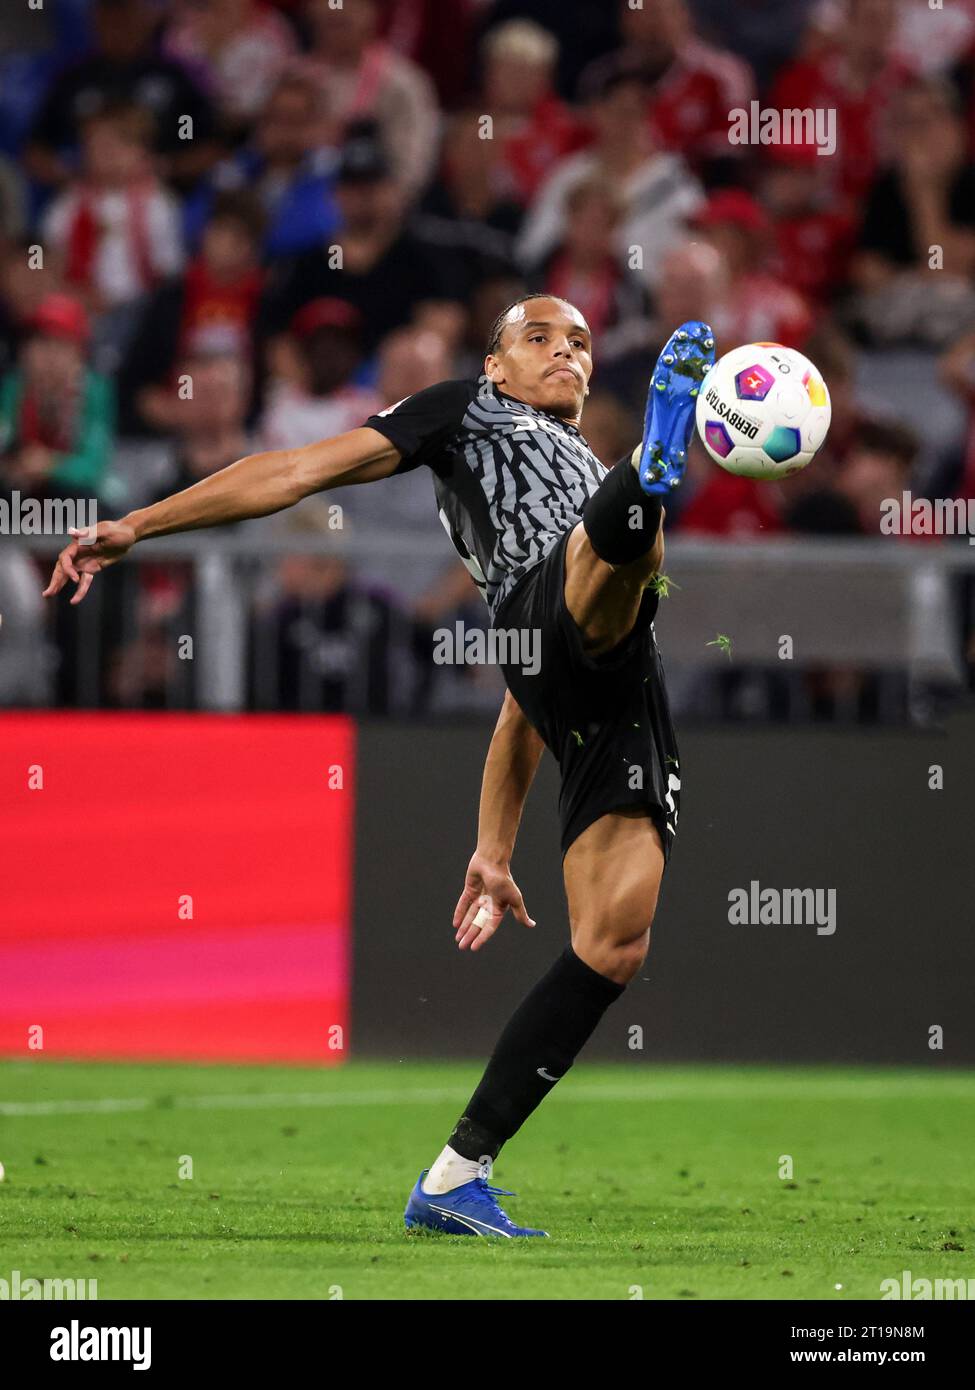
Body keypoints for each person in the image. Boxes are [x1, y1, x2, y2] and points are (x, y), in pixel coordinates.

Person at [43, 295, 716, 1238]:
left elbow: (525, 704)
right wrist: (140, 525)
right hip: (552, 602)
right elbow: (295, 471)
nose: (563, 352)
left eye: (578, 343)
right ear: (493, 366)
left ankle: (453, 1177)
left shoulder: (577, 459)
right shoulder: (464, 412)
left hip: (607, 690)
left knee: (614, 939)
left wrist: (492, 846)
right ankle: (651, 484)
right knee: (609, 572)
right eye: (537, 338)